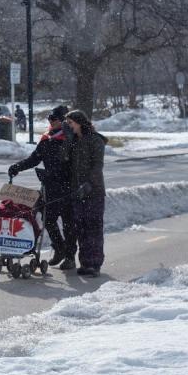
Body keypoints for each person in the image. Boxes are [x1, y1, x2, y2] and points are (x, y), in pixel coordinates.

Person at [7, 105, 76, 269]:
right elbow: (34, 159)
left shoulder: (71, 139)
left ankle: (70, 257)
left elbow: (78, 165)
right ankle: (59, 248)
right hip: (50, 187)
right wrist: (17, 167)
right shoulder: (47, 140)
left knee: (69, 224)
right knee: (49, 220)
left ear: (64, 121)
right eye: (50, 119)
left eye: (55, 119)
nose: (51, 122)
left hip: (68, 188)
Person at [64, 110, 108, 277]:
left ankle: (95, 263)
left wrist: (89, 184)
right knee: (81, 228)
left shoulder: (95, 140)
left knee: (93, 228)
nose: (69, 126)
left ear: (79, 122)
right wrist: (68, 140)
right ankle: (85, 262)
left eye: (70, 123)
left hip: (93, 192)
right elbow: (64, 159)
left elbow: (98, 166)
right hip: (77, 193)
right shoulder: (74, 141)